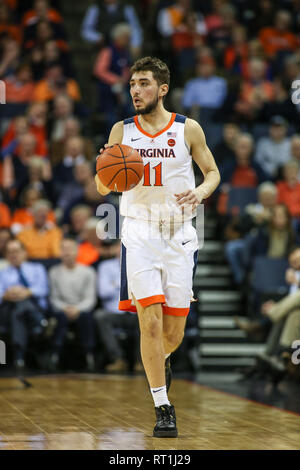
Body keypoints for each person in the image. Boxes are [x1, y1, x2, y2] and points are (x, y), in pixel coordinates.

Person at [94, 56, 220, 437]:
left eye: (144, 83)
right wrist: (105, 167)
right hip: (139, 232)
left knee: (173, 333)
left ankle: (161, 360)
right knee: (148, 321)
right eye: (132, 83)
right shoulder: (121, 130)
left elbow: (213, 172)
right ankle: (162, 405)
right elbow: (103, 189)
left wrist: (199, 193)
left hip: (180, 233)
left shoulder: (188, 128)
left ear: (162, 88)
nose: (136, 89)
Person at [48, 238, 97, 371]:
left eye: (70, 249)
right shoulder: (54, 272)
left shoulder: (88, 272)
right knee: (58, 318)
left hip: (82, 309)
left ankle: (89, 354)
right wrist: (65, 308)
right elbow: (53, 298)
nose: (67, 252)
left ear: (77, 251)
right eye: (64, 249)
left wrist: (77, 309)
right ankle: (55, 354)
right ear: (60, 252)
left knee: (86, 317)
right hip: (61, 309)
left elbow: (90, 299)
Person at [0, 239, 49, 369]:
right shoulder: (2, 273)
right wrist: (7, 294)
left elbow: (44, 289)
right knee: (19, 306)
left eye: (16, 251)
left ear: (24, 253)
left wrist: (27, 292)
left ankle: (19, 356)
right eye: (9, 252)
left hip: (34, 305)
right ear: (6, 255)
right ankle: (40, 323)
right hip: (8, 307)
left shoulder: (37, 268)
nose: (13, 255)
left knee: (19, 311)